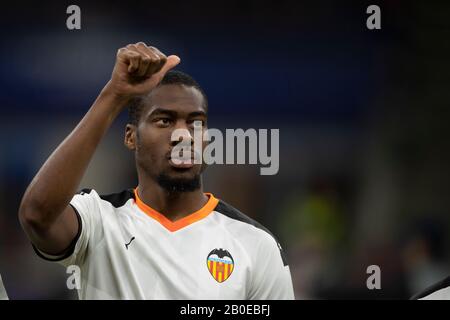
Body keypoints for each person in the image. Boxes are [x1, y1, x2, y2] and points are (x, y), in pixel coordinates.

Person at [18, 42, 294, 299]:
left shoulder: (255, 244)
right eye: (164, 121)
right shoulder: (98, 219)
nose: (183, 135)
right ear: (131, 137)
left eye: (196, 122)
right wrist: (114, 95)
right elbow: (37, 215)